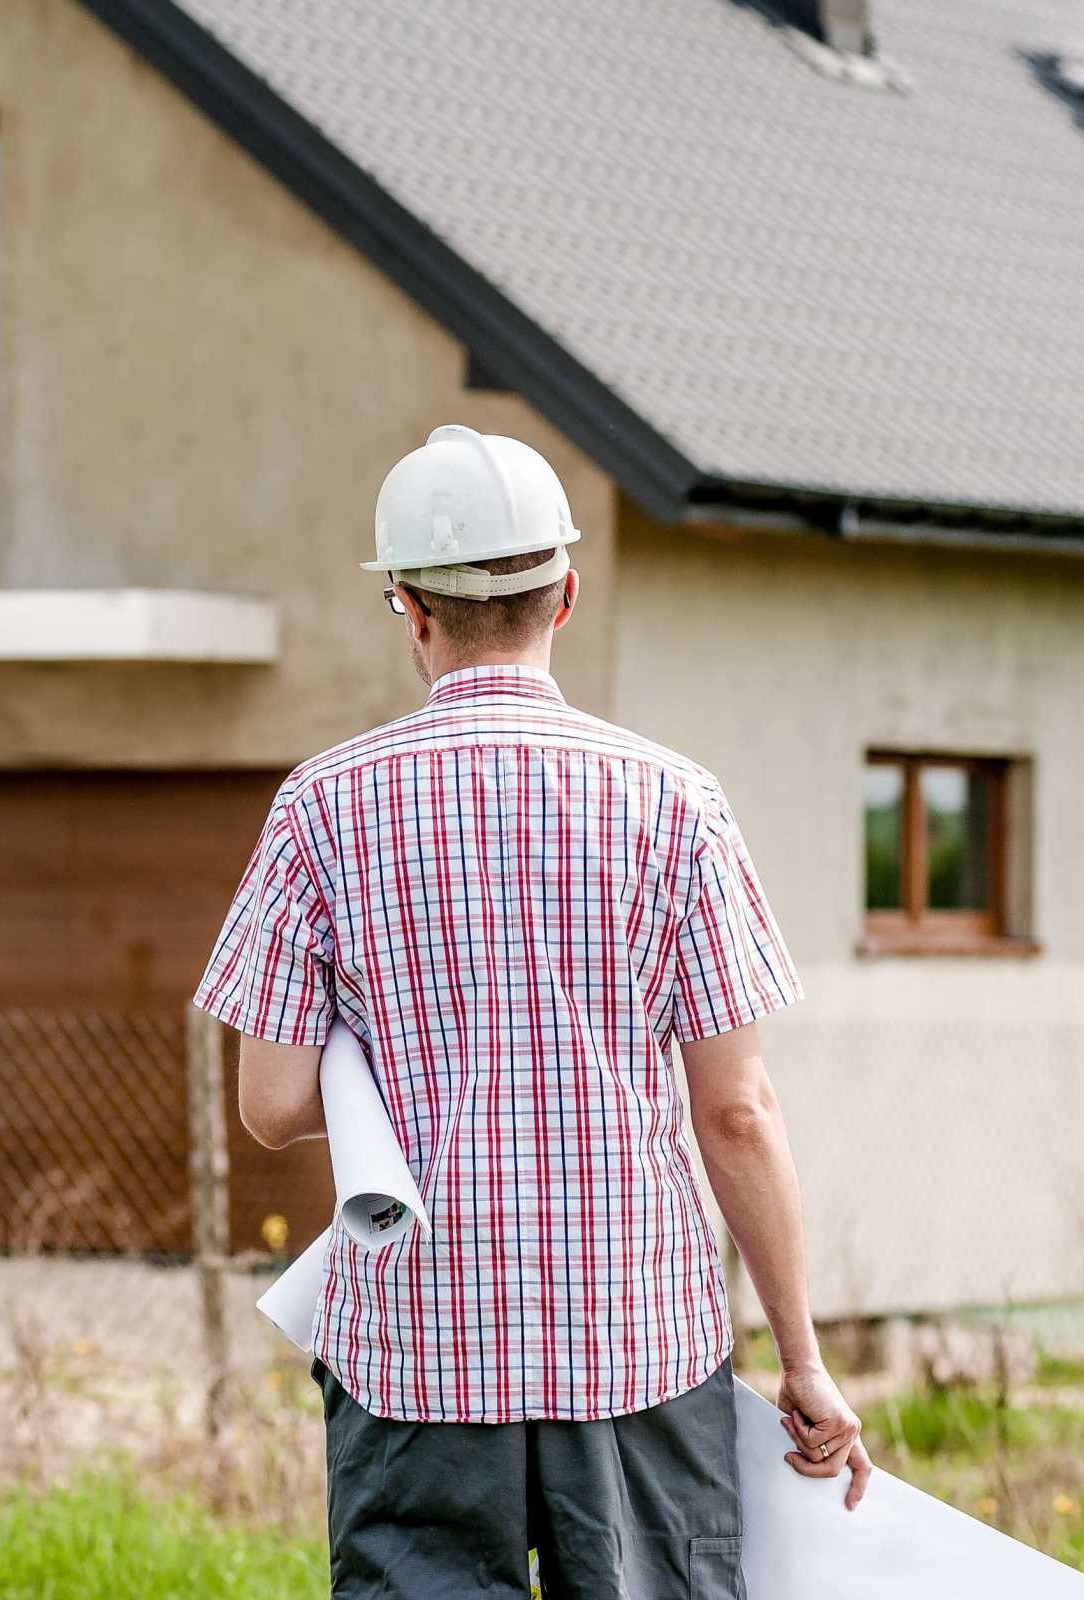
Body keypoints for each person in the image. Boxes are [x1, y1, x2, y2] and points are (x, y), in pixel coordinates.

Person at [194, 424, 871, 1600]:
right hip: (637, 1348)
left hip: (413, 1357)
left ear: (408, 608)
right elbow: (739, 1112)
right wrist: (801, 1360)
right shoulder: (675, 802)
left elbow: (269, 1103)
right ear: (564, 592)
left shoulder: (320, 808)